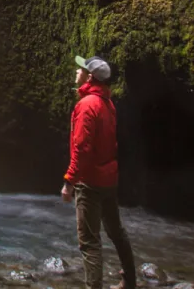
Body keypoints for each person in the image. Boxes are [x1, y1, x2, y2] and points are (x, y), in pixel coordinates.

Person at [61, 55, 136, 289]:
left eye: (80, 69)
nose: (76, 72)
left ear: (89, 76)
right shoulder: (107, 103)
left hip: (90, 181)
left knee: (89, 243)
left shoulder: (86, 106)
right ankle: (130, 281)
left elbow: (82, 149)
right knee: (116, 232)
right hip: (108, 180)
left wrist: (69, 181)